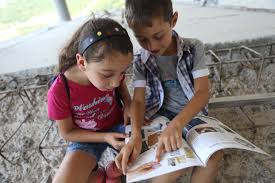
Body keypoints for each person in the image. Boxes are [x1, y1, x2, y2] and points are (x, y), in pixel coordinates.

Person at [115, 0, 223, 183]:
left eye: (158, 36)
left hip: (191, 115)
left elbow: (202, 93)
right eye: (142, 39)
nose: (152, 46)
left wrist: (177, 125)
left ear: (173, 20)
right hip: (158, 117)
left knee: (214, 156)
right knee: (168, 165)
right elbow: (139, 101)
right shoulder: (140, 59)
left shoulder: (194, 48)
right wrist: (135, 135)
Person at [47, 17, 133, 183]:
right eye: (107, 75)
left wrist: (128, 103)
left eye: (122, 72)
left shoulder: (109, 71)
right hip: (86, 138)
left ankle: (113, 171)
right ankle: (98, 175)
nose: (116, 81)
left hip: (119, 126)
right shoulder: (59, 91)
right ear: (81, 62)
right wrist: (105, 137)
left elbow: (120, 85)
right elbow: (67, 132)